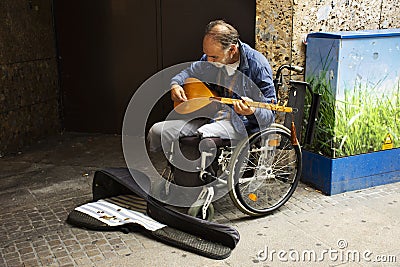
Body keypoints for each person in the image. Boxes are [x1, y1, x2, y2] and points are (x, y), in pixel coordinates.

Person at [147, 19, 276, 161]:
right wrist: (176, 84)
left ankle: (193, 178)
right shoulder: (210, 60)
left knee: (201, 136)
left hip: (239, 124)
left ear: (232, 50)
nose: (208, 61)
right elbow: (188, 72)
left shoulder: (258, 66)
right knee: (157, 131)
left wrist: (252, 111)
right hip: (210, 116)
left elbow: (270, 114)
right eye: (206, 55)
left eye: (214, 57)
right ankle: (169, 172)